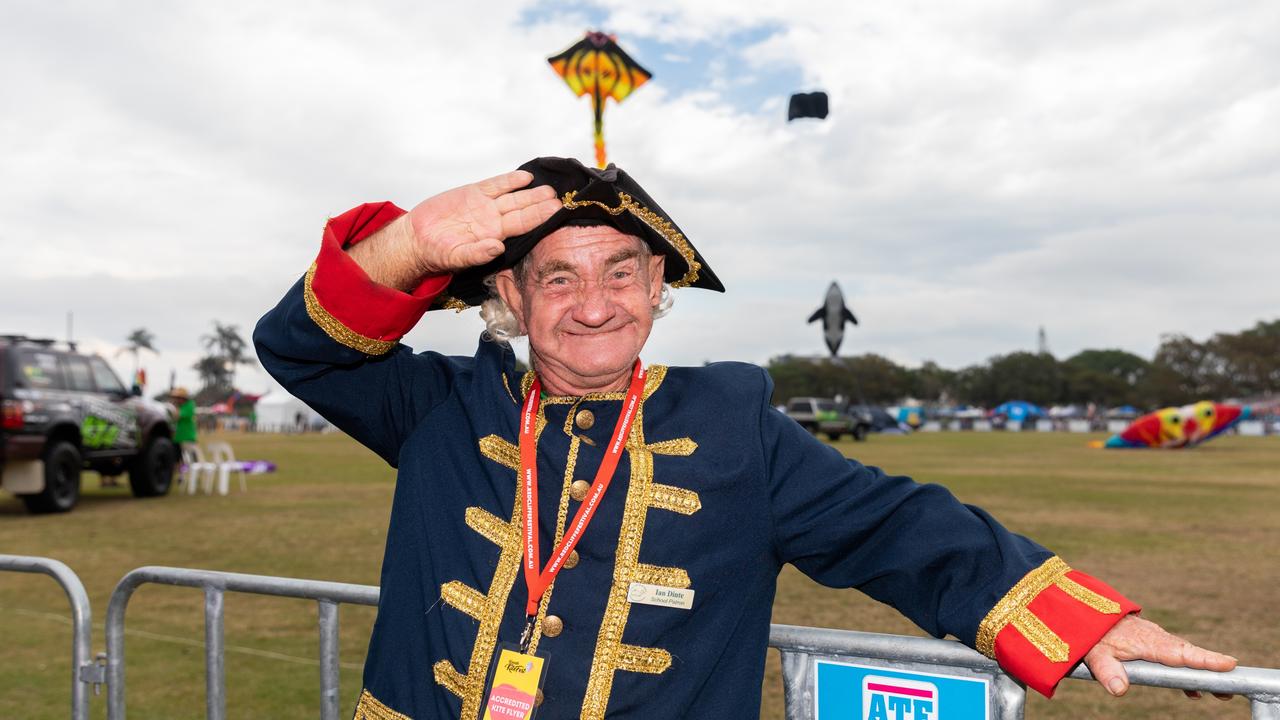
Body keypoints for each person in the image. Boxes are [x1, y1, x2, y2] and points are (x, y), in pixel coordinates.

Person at [255, 157, 1235, 720]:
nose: (593, 304)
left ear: (655, 292)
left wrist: (1081, 619)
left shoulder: (731, 425)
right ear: (509, 296)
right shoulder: (440, 407)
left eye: (621, 272)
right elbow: (298, 348)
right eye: (557, 276)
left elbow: (896, 526)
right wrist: (405, 249)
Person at [170, 386, 197, 456]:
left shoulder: (189, 405)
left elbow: (177, 416)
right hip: (177, 438)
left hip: (187, 438)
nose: (176, 400)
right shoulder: (179, 407)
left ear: (183, 398)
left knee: (190, 461)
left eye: (178, 398)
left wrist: (173, 407)